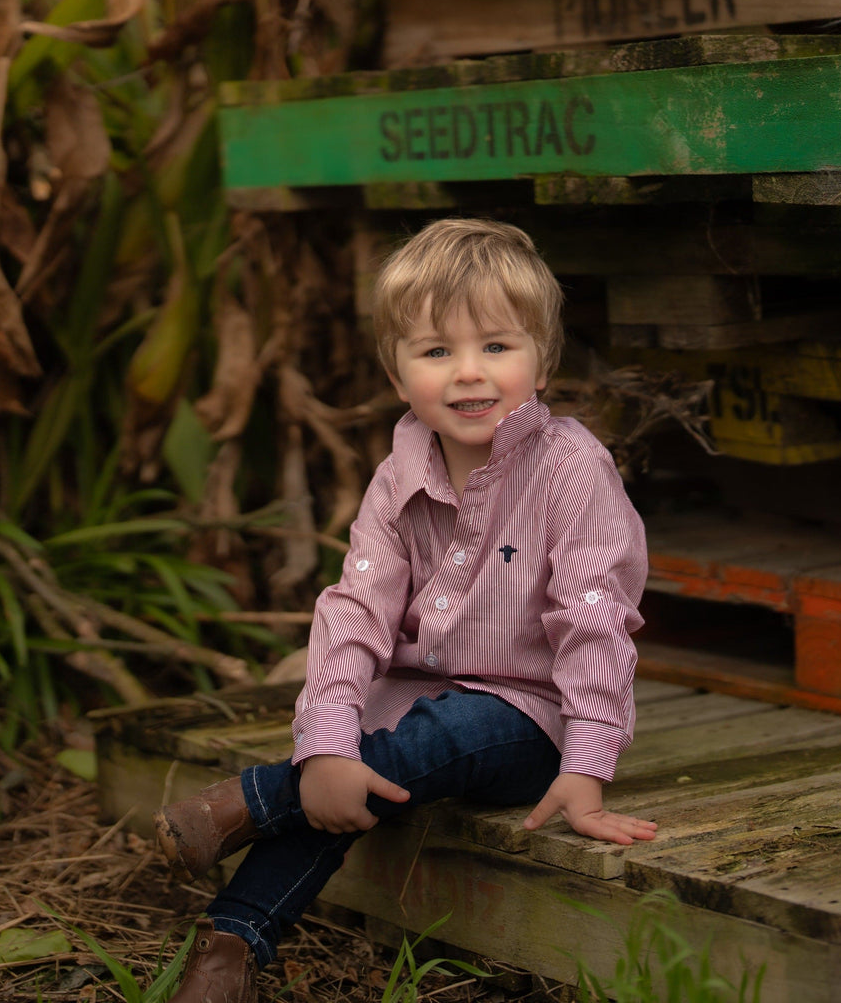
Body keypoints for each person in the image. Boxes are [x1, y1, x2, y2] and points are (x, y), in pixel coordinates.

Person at [154, 217, 656, 1002]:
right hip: (418, 702)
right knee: (347, 778)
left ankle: (256, 798)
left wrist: (588, 767)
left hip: (532, 715)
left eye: (496, 346)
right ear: (397, 376)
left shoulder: (571, 472)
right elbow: (356, 609)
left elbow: (593, 619)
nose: (468, 374)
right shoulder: (400, 474)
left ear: (543, 360)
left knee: (436, 737)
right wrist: (325, 744)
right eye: (435, 351)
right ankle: (232, 945)